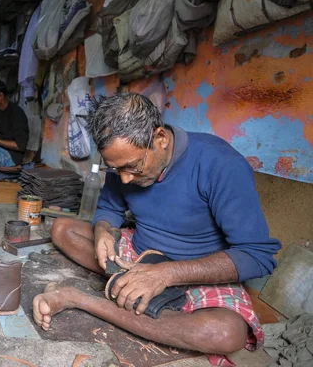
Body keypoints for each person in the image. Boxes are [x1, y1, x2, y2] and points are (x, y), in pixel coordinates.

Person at [32, 93, 281, 361]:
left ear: (160, 138)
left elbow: (257, 255)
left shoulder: (221, 164)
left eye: (133, 167)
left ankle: (79, 299)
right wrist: (104, 231)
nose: (125, 179)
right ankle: (136, 290)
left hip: (199, 269)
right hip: (137, 255)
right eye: (117, 170)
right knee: (62, 229)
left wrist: (164, 275)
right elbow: (109, 210)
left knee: (226, 334)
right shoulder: (124, 165)